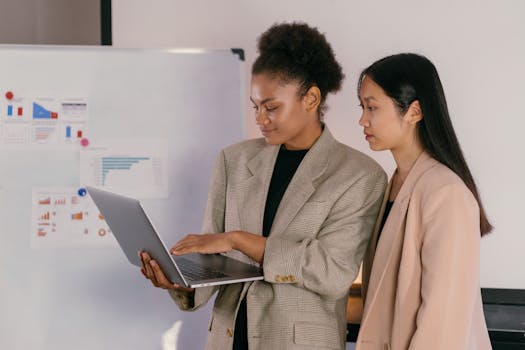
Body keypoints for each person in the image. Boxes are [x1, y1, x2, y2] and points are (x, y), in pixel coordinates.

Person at [139, 22, 387, 350]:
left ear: (311, 98)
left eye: (271, 107)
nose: (260, 118)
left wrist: (237, 239)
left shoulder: (359, 175)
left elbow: (332, 271)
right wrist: (178, 282)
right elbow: (214, 259)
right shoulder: (234, 160)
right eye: (256, 106)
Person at [355, 53, 492, 350]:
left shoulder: (446, 194)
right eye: (362, 107)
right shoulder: (392, 186)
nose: (362, 119)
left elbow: (442, 322)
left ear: (414, 112)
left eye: (372, 107)